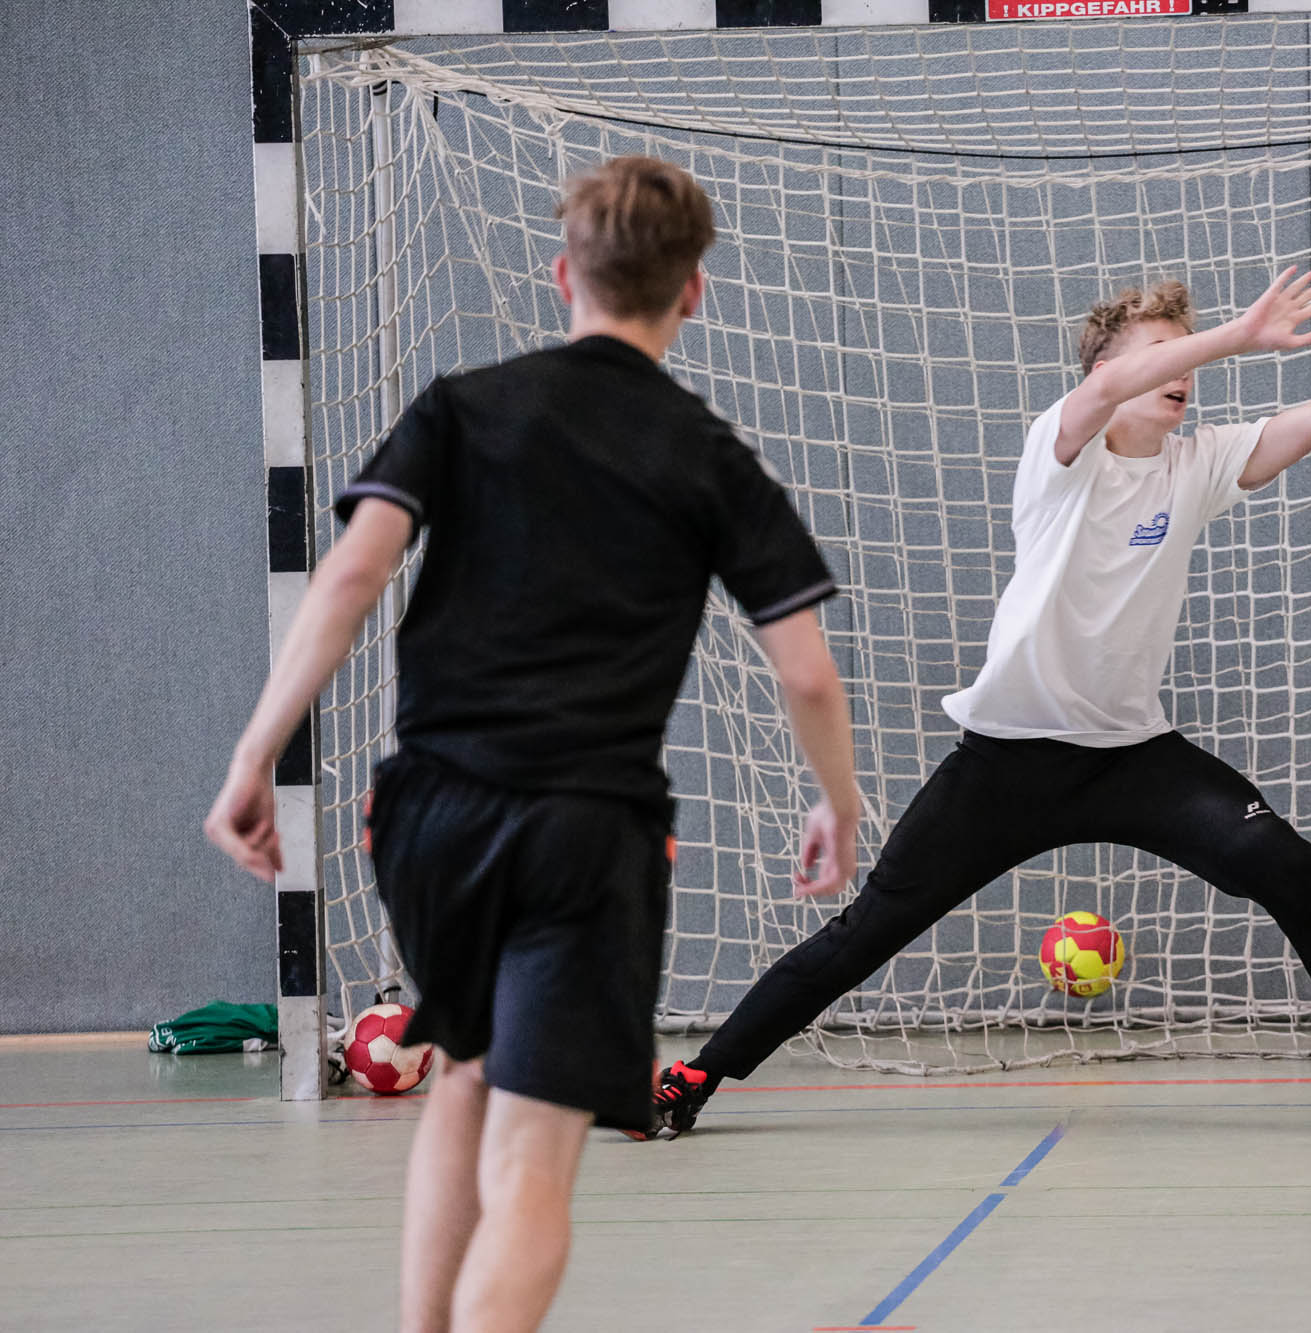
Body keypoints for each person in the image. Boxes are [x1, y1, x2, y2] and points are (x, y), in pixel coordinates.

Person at [644, 243, 1311, 1140]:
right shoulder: (1060, 449)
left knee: (1292, 871)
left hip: (1133, 759)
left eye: (1186, 354)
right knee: (867, 932)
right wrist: (1234, 335)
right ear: (1111, 371)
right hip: (1006, 764)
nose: (1182, 370)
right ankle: (689, 1079)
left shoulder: (1197, 465)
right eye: (1164, 352)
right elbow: (1111, 393)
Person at [203, 155, 863, 1332]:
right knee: (536, 1157)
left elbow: (351, 573)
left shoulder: (462, 405)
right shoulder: (707, 453)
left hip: (427, 816)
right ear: (693, 292)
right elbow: (804, 668)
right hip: (583, 830)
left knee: (461, 1071)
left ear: (566, 275)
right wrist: (837, 802)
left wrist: (255, 756)